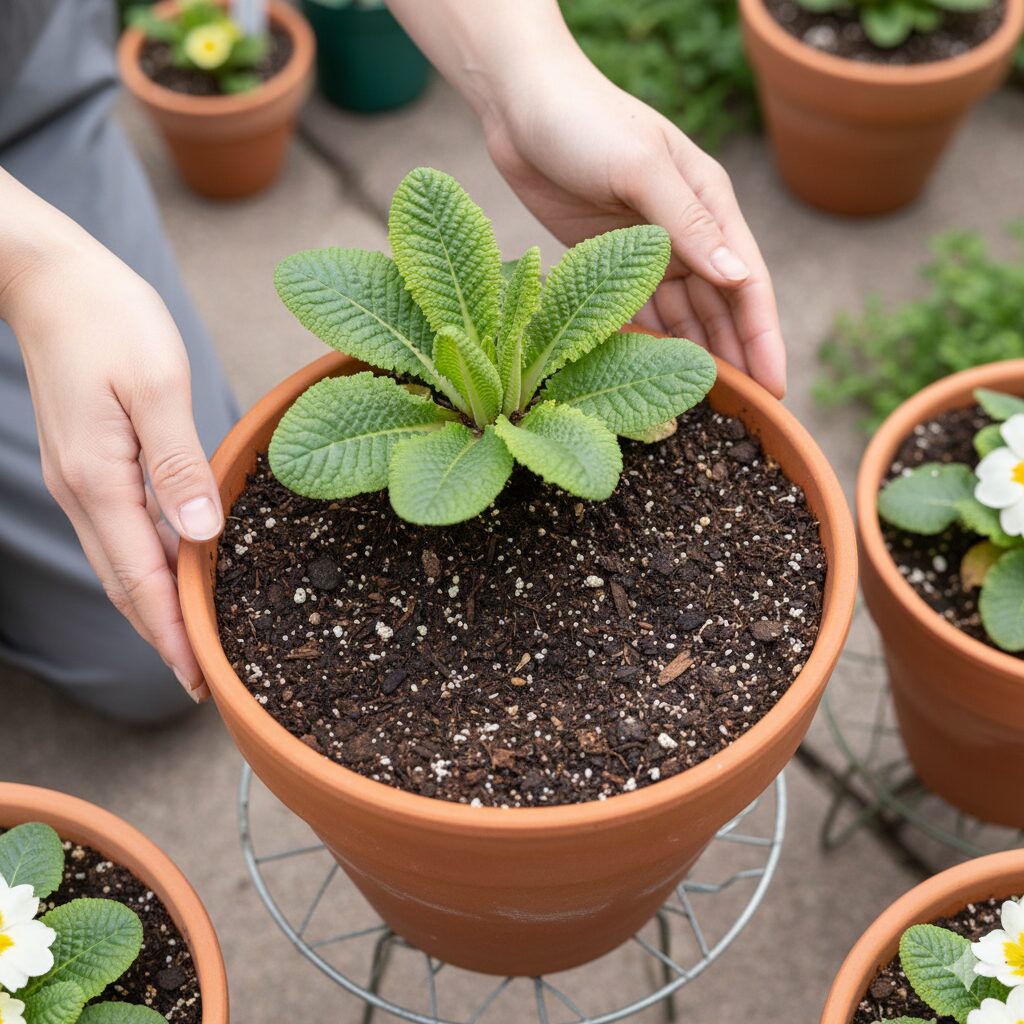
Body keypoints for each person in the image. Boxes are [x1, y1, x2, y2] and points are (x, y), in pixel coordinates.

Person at [0, 0, 785, 724]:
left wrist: (531, 72)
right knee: (150, 600)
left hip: (29, 79)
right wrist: (32, 272)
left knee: (151, 620)